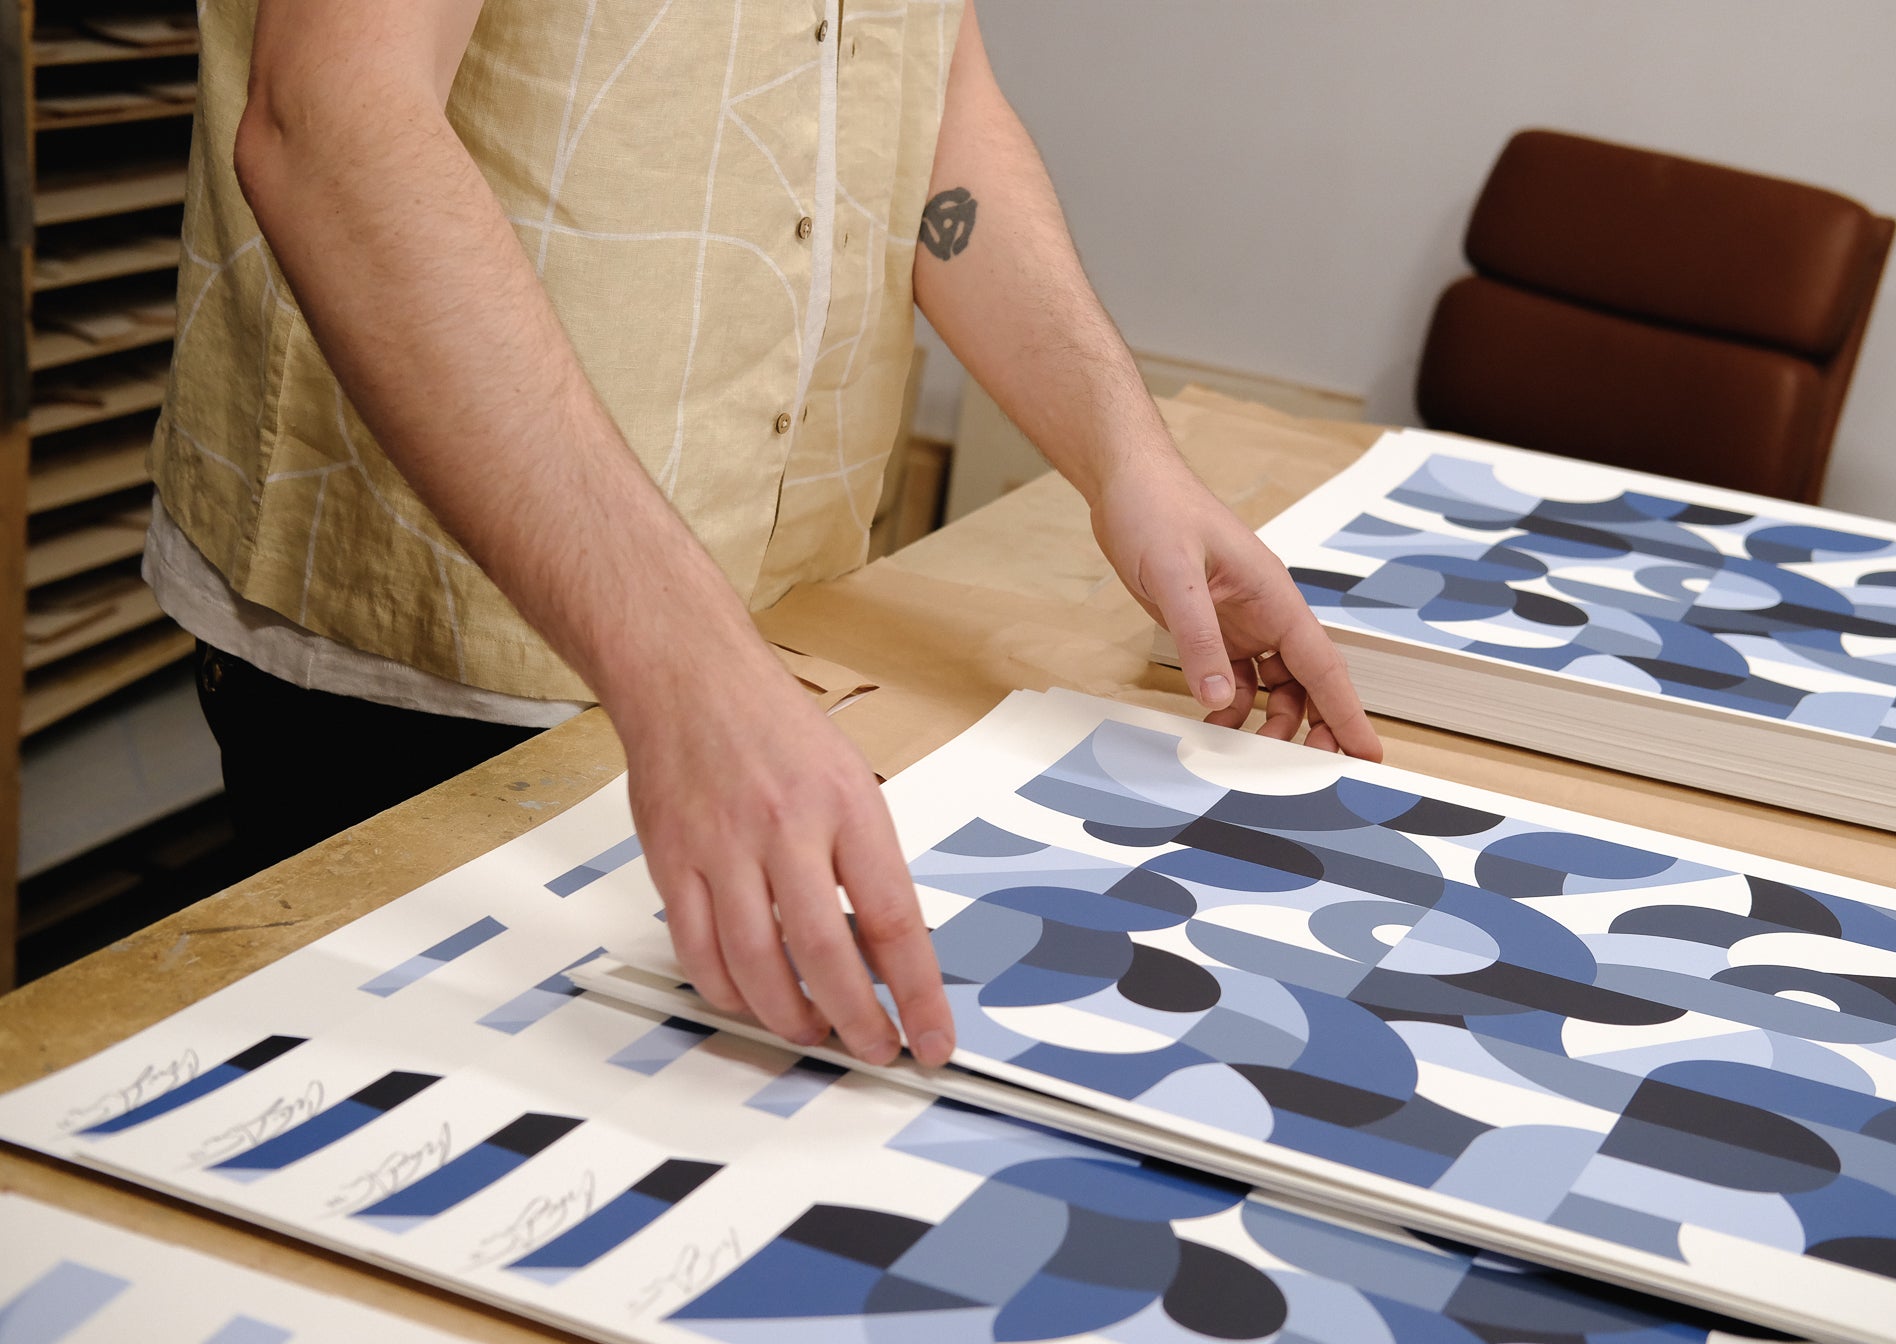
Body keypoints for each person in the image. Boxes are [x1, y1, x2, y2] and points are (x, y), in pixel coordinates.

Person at [144, 0, 1383, 1074]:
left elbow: (931, 103)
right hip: (447, 646)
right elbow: (332, 125)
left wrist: (1128, 461)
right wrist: (690, 672)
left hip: (778, 641)